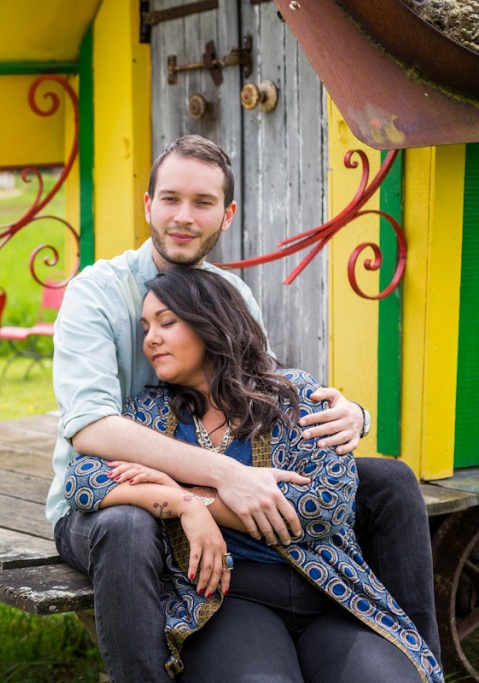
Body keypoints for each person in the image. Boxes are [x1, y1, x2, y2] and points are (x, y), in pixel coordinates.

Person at [48, 135, 438, 682]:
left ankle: (414, 653)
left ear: (226, 214)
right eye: (170, 199)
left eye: (203, 202)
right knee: (129, 526)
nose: (183, 217)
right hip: (122, 499)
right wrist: (207, 488)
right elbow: (90, 430)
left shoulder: (231, 294)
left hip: (226, 495)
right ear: (148, 205)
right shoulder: (98, 294)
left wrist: (354, 416)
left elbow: (269, 401)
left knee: (391, 482)